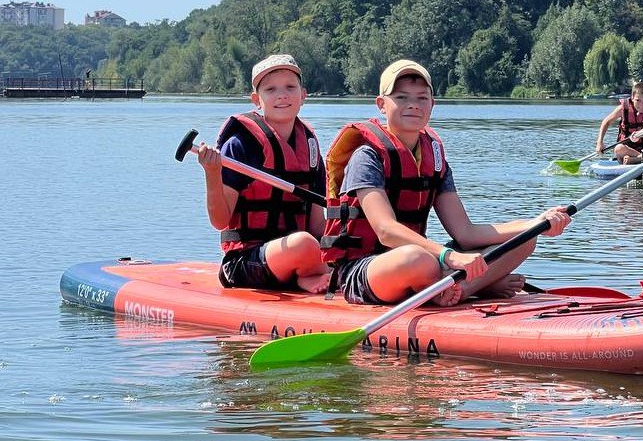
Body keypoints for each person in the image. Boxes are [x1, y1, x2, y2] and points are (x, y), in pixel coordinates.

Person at [320, 58, 572, 306]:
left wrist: (537, 223)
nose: (413, 105)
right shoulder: (366, 157)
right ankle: (469, 284)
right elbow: (386, 231)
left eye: (422, 98)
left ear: (432, 104)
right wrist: (448, 256)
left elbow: (466, 233)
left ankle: (461, 288)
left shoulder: (435, 159)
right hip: (368, 270)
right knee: (417, 259)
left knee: (525, 238)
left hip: (427, 262)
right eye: (401, 97)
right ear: (381, 105)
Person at [196, 53, 329, 293]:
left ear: (303, 95)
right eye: (271, 89)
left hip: (298, 253)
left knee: (336, 245)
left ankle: (308, 272)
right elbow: (220, 221)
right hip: (244, 262)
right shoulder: (241, 145)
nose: (282, 95)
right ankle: (303, 276)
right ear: (257, 100)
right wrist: (212, 172)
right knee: (303, 243)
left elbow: (317, 225)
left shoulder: (309, 146)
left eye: (290, 87)